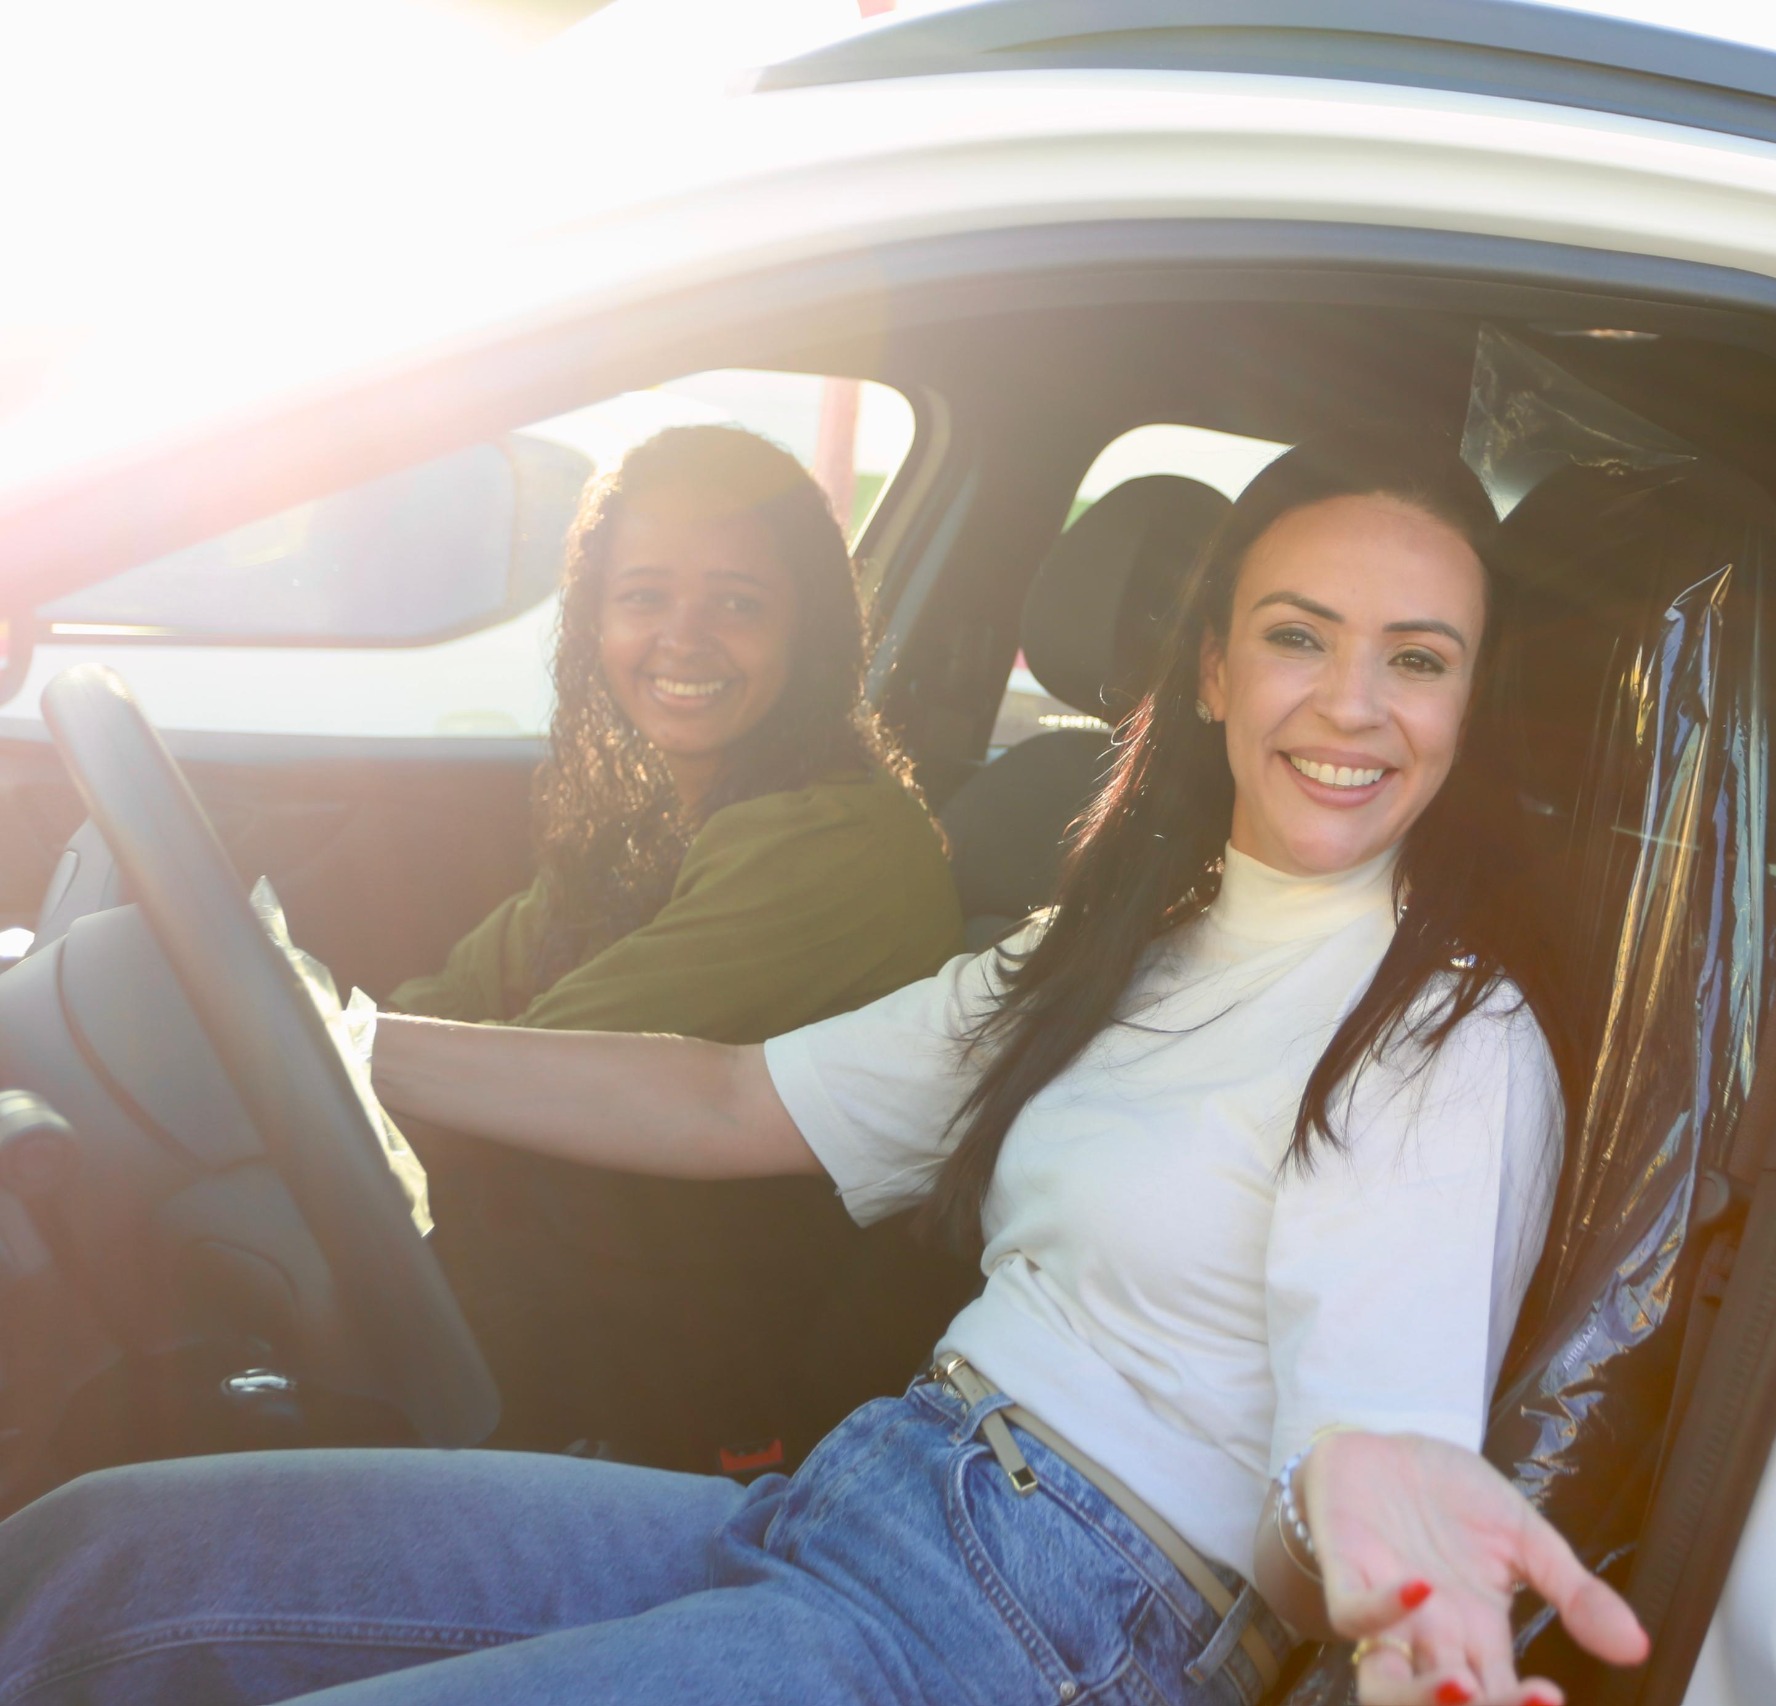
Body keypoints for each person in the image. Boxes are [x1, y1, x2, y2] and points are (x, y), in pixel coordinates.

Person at [0, 437, 1649, 1706]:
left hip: (1048, 1619)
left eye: (1417, 658)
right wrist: (347, 1047)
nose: (1351, 703)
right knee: (100, 1563)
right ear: (1212, 668)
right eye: (1301, 636)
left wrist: (1374, 1499)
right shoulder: (1122, 938)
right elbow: (731, 1098)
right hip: (861, 1493)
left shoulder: (1447, 1033)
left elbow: (1381, 1425)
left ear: (1469, 702)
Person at [393, 423, 967, 1464]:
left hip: (702, 1411)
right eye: (644, 595)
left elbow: (536, 1069)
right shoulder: (648, 817)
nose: (682, 638)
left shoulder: (838, 840)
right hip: (574, 1327)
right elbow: (461, 989)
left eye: (738, 603)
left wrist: (331, 1049)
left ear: (810, 632)